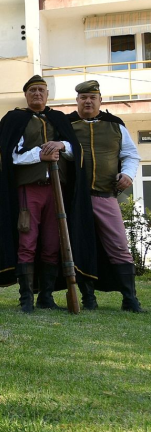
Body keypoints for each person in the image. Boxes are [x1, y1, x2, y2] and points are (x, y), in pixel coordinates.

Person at [0, 75, 95, 313]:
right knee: (27, 241)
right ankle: (26, 298)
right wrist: (40, 154)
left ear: (47, 94)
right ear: (26, 95)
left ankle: (46, 296)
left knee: (52, 242)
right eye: (32, 91)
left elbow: (74, 150)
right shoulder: (14, 119)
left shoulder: (58, 118)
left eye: (41, 90)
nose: (37, 94)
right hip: (29, 190)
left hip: (57, 190)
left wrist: (60, 145)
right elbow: (12, 156)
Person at [68, 80, 143, 312]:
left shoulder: (115, 125)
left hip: (105, 195)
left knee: (119, 245)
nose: (88, 101)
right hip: (75, 199)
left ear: (100, 100)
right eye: (83, 98)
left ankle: (129, 298)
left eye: (92, 97)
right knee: (80, 246)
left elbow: (131, 154)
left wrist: (128, 175)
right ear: (77, 100)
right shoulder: (67, 124)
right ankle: (88, 298)